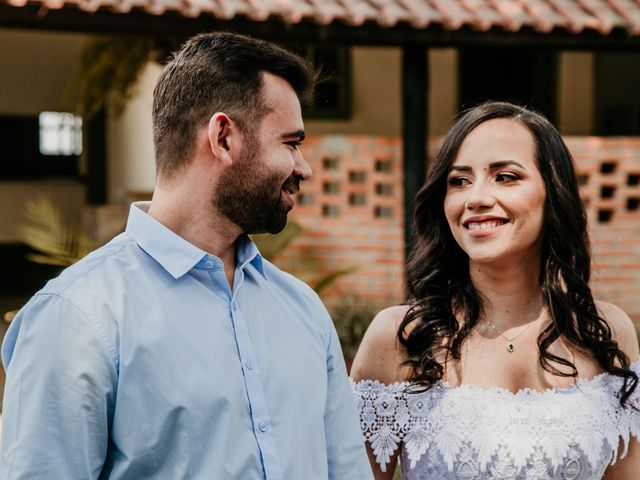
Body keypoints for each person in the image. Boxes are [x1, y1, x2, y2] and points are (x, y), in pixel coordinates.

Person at [1, 33, 371, 479]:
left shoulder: (304, 310)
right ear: (223, 138)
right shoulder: (76, 317)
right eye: (291, 143)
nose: (303, 168)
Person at [351, 101, 640, 479]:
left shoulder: (604, 333)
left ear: (553, 193)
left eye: (505, 177)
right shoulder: (402, 336)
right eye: (459, 181)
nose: (476, 198)